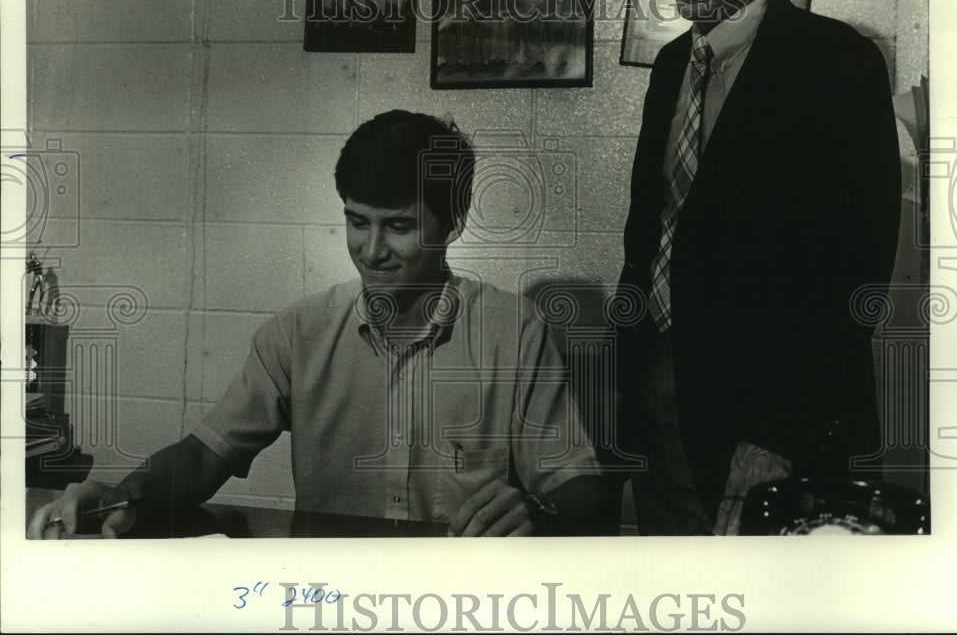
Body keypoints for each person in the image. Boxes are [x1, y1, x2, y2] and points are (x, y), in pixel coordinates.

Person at [29, 111, 614, 539]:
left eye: (399, 226)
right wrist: (123, 494)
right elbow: (207, 454)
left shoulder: (516, 331)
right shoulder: (297, 333)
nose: (372, 249)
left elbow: (579, 484)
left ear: (453, 223)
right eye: (357, 221)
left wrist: (542, 512)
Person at [616, 0, 901, 535]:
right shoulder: (671, 63)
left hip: (772, 417)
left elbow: (855, 278)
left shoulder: (837, 63)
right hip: (659, 396)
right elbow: (650, 236)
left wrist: (775, 436)